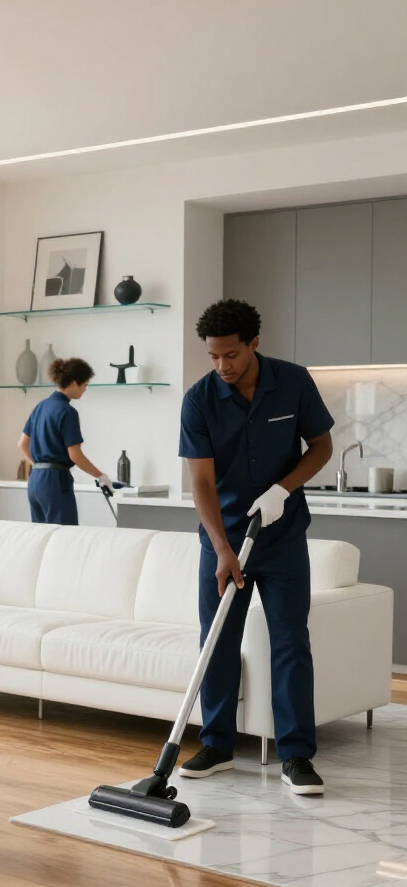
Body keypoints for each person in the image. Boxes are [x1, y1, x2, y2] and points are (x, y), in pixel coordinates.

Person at [177, 299, 334, 794]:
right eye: (213, 357)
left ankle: (296, 756)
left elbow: (322, 447)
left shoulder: (293, 382)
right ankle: (218, 744)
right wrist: (222, 549)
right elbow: (201, 482)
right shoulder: (199, 399)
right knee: (219, 640)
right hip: (223, 539)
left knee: (291, 641)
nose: (222, 366)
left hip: (282, 536)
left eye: (231, 356)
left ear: (254, 345)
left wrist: (282, 490)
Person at [17, 357, 112, 524]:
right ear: (74, 383)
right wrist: (100, 476)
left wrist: (39, 466)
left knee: (41, 537)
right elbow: (75, 455)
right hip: (54, 482)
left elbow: (22, 444)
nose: (85, 390)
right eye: (85, 385)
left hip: (35, 480)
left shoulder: (40, 407)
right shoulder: (68, 412)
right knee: (65, 538)